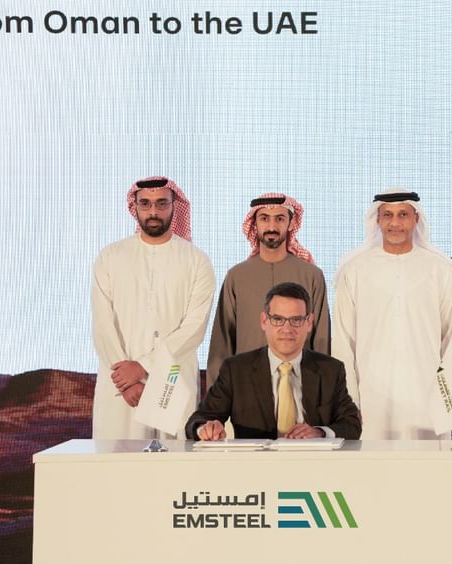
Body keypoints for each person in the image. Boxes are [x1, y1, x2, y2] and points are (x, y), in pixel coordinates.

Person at [332, 190, 452, 439]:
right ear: (377, 220)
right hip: (371, 398)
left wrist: (450, 405)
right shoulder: (354, 270)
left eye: (403, 214)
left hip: (428, 398)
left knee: (429, 461)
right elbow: (343, 342)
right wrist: (349, 403)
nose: (395, 222)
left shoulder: (440, 270)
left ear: (416, 219)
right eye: (388, 215)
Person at [91, 176, 215, 439]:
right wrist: (127, 381)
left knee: (174, 460)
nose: (153, 211)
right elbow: (103, 324)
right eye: (145, 204)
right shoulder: (111, 257)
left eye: (161, 203)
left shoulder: (197, 261)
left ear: (173, 206)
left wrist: (143, 366)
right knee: (117, 458)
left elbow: (194, 328)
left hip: (172, 378)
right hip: (120, 383)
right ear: (134, 206)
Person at [187, 282, 361, 440]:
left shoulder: (330, 370)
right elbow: (198, 420)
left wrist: (319, 433)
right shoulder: (236, 370)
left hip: (311, 462)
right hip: (256, 463)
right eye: (278, 319)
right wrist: (206, 429)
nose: (287, 329)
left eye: (296, 320)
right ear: (264, 321)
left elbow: (352, 424)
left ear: (309, 323)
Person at [206, 193, 330, 388]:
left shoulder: (311, 275)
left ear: (291, 223)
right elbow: (222, 343)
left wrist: (322, 392)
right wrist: (217, 396)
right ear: (254, 224)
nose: (272, 226)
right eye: (264, 218)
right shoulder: (237, 276)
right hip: (247, 385)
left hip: (299, 387)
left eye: (280, 219)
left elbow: (321, 340)